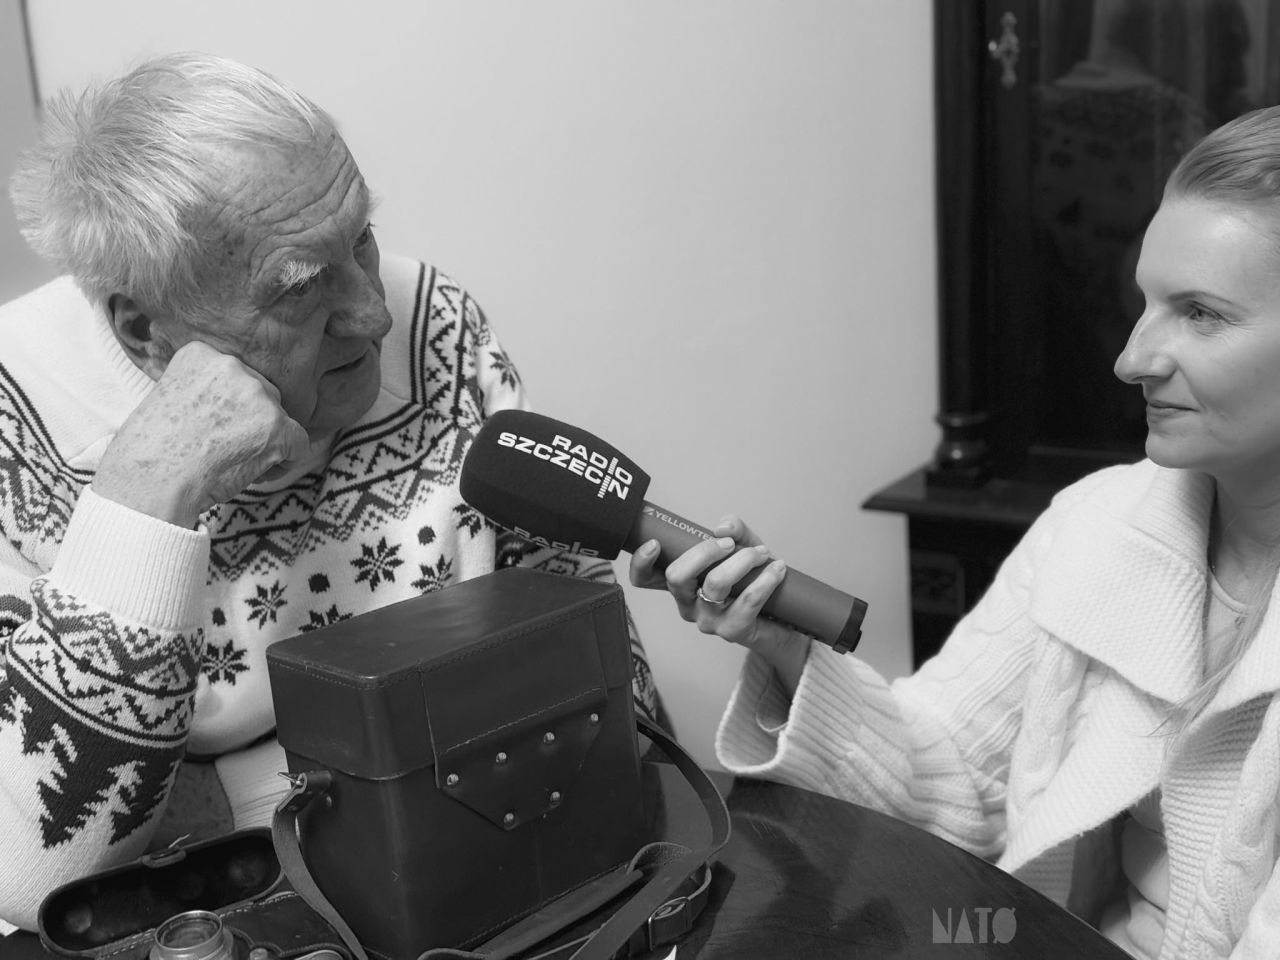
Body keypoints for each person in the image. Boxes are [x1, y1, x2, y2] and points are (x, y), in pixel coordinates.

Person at [0, 53, 660, 933]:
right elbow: (35, 872)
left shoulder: (435, 322)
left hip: (485, 873)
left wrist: (223, 793)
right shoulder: (15, 413)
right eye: (302, 288)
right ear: (144, 329)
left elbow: (601, 699)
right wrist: (146, 494)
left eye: (362, 240)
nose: (373, 314)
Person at [633, 105, 1280, 958]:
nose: (1132, 360)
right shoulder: (1099, 524)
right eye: (1147, 304)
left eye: (1200, 314)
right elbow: (954, 777)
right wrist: (787, 647)